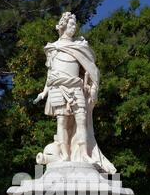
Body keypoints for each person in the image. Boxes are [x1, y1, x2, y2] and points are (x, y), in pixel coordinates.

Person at [34, 12, 116, 174]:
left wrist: (92, 87)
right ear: (63, 25)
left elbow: (91, 70)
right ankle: (64, 155)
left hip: (76, 87)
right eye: (71, 25)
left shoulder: (79, 47)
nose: (74, 28)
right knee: (62, 122)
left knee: (81, 120)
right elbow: (50, 73)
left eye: (75, 25)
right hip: (57, 88)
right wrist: (44, 92)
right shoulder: (53, 48)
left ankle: (84, 154)